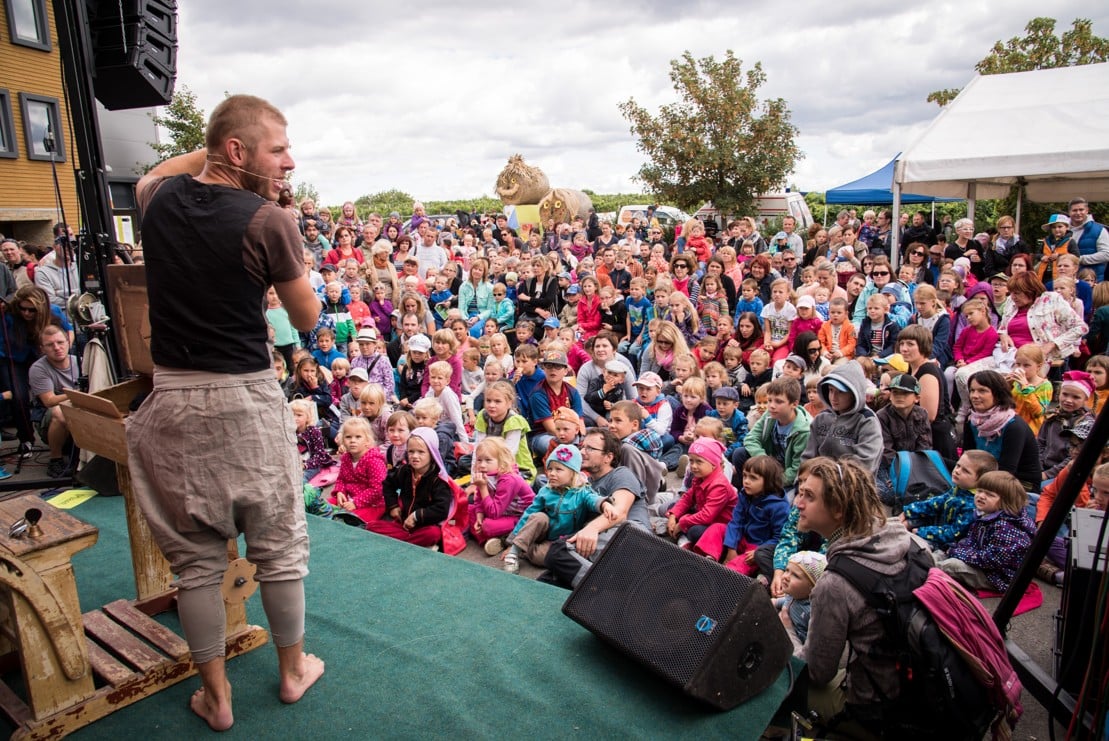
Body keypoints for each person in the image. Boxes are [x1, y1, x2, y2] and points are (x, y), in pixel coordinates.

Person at [127, 95, 324, 730]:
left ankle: (216, 698)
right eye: (277, 150)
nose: (289, 161)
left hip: (173, 398)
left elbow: (158, 173)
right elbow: (306, 319)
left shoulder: (157, 201)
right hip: (244, 396)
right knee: (278, 546)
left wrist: (216, 151)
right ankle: (292, 671)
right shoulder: (268, 220)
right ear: (237, 153)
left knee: (195, 562)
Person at [796, 456, 914, 734]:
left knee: (784, 687)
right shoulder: (903, 537)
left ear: (837, 508)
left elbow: (816, 672)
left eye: (808, 497)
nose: (798, 503)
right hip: (919, 683)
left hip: (881, 705)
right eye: (800, 493)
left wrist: (787, 635)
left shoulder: (835, 583)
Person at [543, 428, 651, 588]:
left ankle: (601, 592)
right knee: (548, 579)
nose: (582, 452)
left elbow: (619, 512)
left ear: (608, 457)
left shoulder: (621, 474)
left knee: (558, 552)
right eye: (582, 446)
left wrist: (591, 528)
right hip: (603, 545)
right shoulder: (585, 485)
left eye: (590, 448)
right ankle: (607, 589)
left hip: (632, 538)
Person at [502, 444, 614, 574]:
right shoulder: (546, 491)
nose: (552, 473)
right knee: (539, 517)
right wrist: (512, 542)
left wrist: (605, 504)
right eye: (550, 469)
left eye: (558, 470)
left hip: (562, 542)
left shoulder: (581, 492)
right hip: (544, 532)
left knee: (545, 557)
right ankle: (515, 550)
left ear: (572, 473)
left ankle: (524, 549)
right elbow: (529, 514)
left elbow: (593, 499)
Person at [935, 471, 1036, 593]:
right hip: (981, 562)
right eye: (979, 490)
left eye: (990, 494)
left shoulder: (1005, 527)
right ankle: (921, 567)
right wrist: (954, 549)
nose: (981, 496)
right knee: (939, 553)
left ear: (1006, 501)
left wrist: (957, 552)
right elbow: (972, 542)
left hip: (998, 577)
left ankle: (921, 576)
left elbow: (991, 560)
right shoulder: (986, 515)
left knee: (950, 566)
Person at [901, 450, 997, 552]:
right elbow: (936, 502)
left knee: (910, 546)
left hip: (948, 544)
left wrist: (921, 532)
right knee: (905, 521)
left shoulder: (973, 505)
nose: (957, 471)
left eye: (965, 471)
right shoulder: (959, 489)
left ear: (981, 480)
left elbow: (953, 533)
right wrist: (909, 511)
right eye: (958, 465)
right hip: (939, 526)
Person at [963, 370, 1042, 492]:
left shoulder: (1013, 426)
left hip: (1018, 484)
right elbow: (967, 457)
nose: (974, 395)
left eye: (982, 391)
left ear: (998, 394)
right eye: (972, 390)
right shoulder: (971, 420)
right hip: (983, 476)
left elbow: (1006, 472)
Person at [802, 361, 883, 473]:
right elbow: (807, 457)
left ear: (854, 393)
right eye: (831, 390)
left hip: (853, 486)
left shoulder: (867, 421)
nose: (833, 397)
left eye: (840, 392)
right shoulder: (821, 418)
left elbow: (864, 465)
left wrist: (830, 478)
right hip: (816, 482)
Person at [468, 437, 535, 555]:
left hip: (520, 517)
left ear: (501, 461)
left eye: (488, 460)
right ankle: (488, 541)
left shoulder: (509, 479)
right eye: (479, 460)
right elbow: (478, 499)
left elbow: (494, 512)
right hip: (501, 511)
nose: (482, 465)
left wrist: (483, 487)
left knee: (488, 525)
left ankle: (503, 540)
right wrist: (479, 515)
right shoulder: (486, 473)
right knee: (468, 509)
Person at [27, 325, 78, 478]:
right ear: (42, 348)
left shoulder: (80, 362)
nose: (57, 348)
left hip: (79, 415)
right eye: (50, 345)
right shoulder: (38, 368)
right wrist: (77, 394)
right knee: (60, 412)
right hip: (49, 421)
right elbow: (49, 400)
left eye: (60, 342)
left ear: (68, 342)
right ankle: (55, 459)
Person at [328, 416, 388, 524]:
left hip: (372, 503)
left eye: (358, 437)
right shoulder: (346, 458)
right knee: (325, 506)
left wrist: (356, 502)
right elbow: (341, 479)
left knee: (351, 519)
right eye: (348, 437)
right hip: (349, 497)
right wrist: (340, 491)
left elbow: (378, 489)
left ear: (367, 440)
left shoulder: (374, 460)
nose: (352, 441)